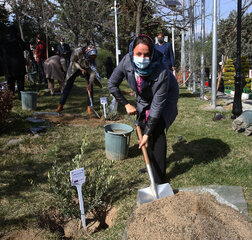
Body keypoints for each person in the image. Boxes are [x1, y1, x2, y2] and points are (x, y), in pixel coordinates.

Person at [108, 35, 179, 184]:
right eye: (139, 54)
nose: (142, 57)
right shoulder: (126, 61)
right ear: (131, 52)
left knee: (156, 130)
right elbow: (112, 84)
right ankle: (151, 166)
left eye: (146, 54)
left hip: (165, 95)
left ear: (152, 53)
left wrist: (147, 134)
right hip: (144, 94)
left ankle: (159, 178)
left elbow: (157, 106)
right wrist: (126, 104)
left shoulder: (162, 72)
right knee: (143, 125)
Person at [55, 45, 102, 113]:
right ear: (87, 53)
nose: (91, 58)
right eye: (90, 57)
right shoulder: (77, 51)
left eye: (93, 57)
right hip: (74, 67)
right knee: (68, 86)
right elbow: (73, 61)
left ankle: (89, 106)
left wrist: (90, 83)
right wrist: (80, 69)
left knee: (90, 88)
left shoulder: (93, 60)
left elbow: (92, 73)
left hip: (86, 68)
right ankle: (61, 105)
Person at [0, 25, 26, 99]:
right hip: (19, 64)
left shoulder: (3, 40)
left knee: (10, 81)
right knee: (20, 81)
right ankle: (21, 96)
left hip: (8, 65)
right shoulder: (17, 38)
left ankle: (11, 95)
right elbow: (24, 47)